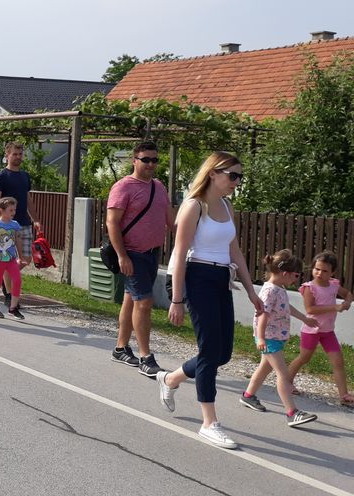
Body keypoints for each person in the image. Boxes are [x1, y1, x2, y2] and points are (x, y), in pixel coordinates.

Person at [156, 151, 263, 450]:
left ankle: (170, 379)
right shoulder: (194, 206)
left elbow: (235, 251)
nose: (237, 182)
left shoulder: (227, 206)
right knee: (208, 352)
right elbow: (179, 254)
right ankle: (209, 423)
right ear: (213, 173)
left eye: (240, 176)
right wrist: (177, 299)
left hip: (221, 279)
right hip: (197, 278)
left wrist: (252, 291)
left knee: (222, 354)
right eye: (233, 175)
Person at [106, 141, 174, 377]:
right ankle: (146, 357)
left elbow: (171, 220)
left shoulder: (159, 187)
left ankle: (120, 348)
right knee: (144, 303)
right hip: (132, 253)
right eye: (146, 159)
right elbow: (112, 222)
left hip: (152, 253)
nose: (151, 164)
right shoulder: (123, 187)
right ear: (134, 160)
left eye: (154, 160)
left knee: (131, 300)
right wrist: (122, 255)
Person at [239, 250, 319, 427]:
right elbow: (263, 315)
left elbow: (286, 307)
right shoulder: (270, 291)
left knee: (264, 368)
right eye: (296, 275)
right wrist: (261, 338)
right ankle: (292, 412)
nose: (297, 279)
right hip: (269, 338)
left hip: (274, 337)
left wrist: (304, 318)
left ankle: (248, 396)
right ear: (285, 273)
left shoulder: (278, 289)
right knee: (283, 374)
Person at [287, 250, 354, 404]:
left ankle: (344, 395)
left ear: (332, 272)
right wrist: (335, 307)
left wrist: (347, 303)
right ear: (313, 268)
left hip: (328, 331)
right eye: (317, 269)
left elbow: (348, 294)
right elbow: (310, 309)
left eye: (324, 271)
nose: (319, 273)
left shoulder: (334, 285)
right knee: (304, 358)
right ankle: (286, 381)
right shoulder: (309, 287)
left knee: (338, 362)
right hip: (311, 330)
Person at [0, 141, 35, 316]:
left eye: (20, 154)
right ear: (7, 155)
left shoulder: (25, 176)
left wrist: (36, 219)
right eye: (14, 154)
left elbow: (28, 199)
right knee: (9, 258)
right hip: (6, 227)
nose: (18, 157)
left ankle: (5, 276)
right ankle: (9, 295)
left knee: (26, 259)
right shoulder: (1, 176)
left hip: (24, 223)